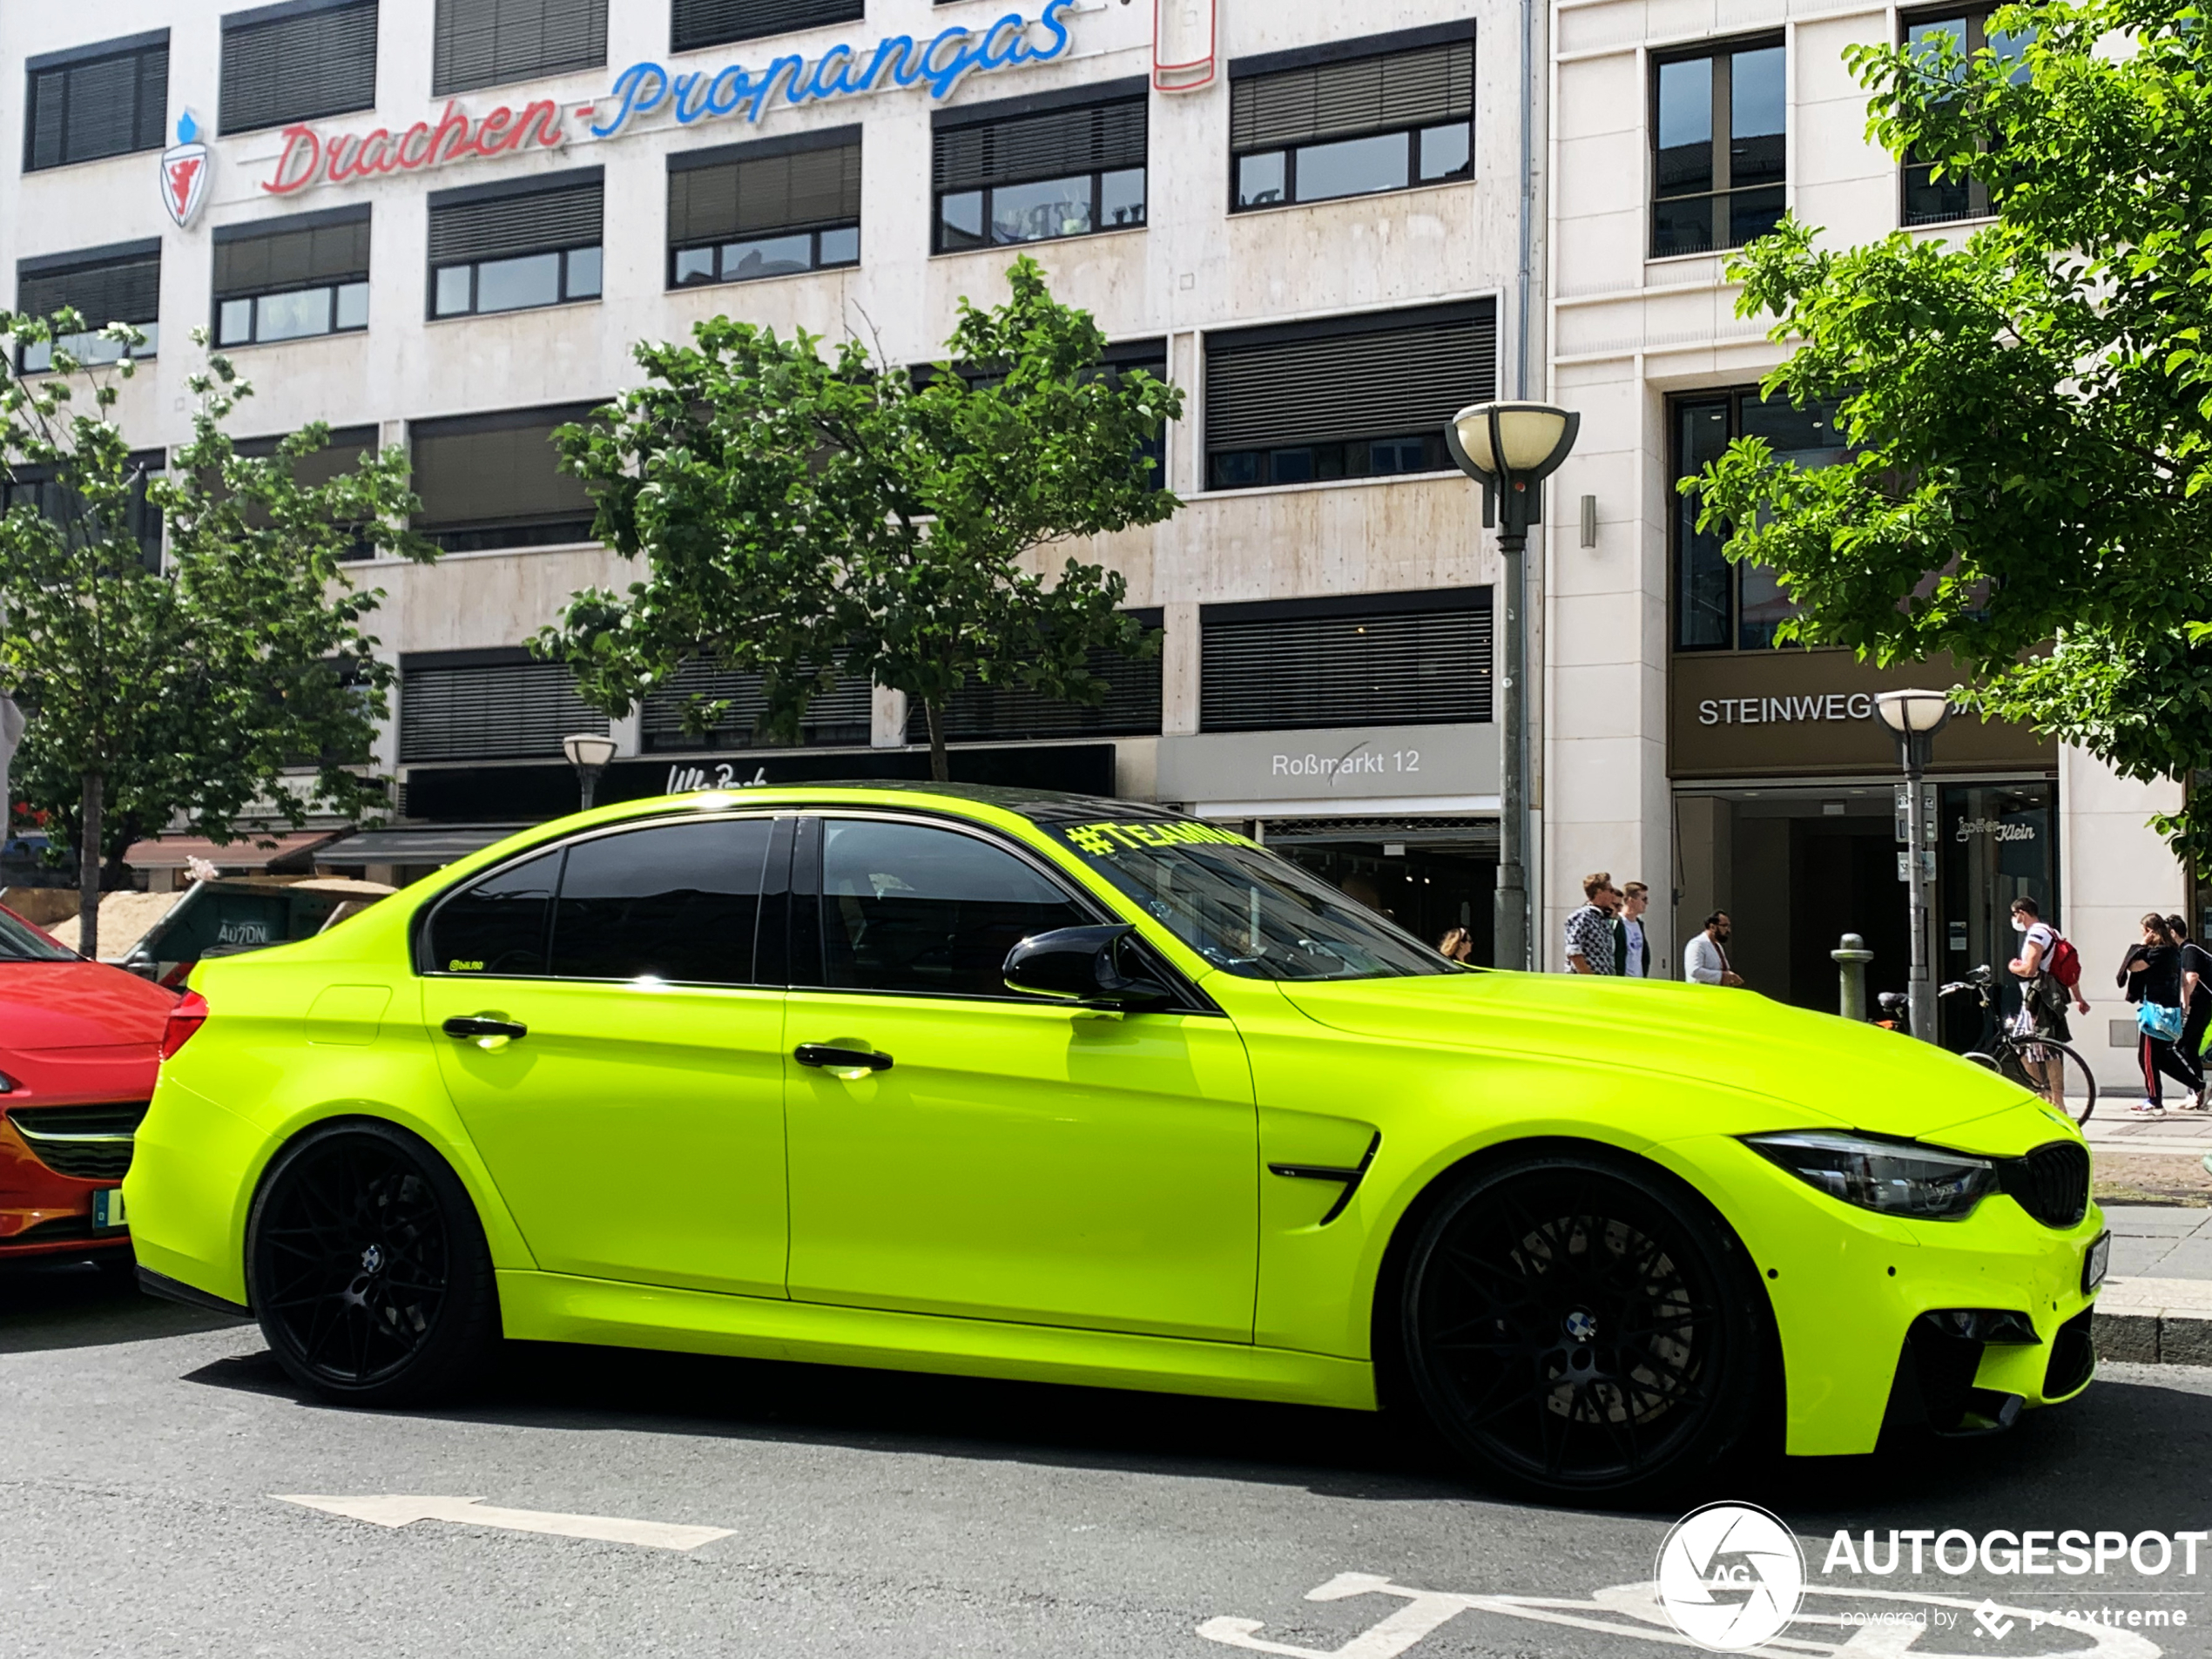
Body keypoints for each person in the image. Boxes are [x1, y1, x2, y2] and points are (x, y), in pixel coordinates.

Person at [2005, 896, 2088, 1113]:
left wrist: (2013, 967)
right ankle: (2055, 1100)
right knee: (2048, 1048)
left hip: (2036, 1000)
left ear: (2022, 913)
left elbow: (2030, 970)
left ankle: (2044, 1097)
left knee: (2022, 1044)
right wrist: (2078, 997)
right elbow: (2068, 971)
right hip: (2050, 998)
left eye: (2014, 914)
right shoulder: (2053, 933)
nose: (2014, 919)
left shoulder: (2035, 934)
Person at [2121, 912, 2203, 1116]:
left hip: (2155, 1011)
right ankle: (2198, 1085)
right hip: (2166, 1009)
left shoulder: (2159, 953)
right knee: (2162, 1058)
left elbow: (2133, 965)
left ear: (2150, 932)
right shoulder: (2173, 952)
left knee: (2146, 1057)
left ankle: (2154, 1101)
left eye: (2144, 931)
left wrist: (2141, 944)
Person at [2168, 914, 2212, 1094]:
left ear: (2172, 933)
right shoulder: (2191, 949)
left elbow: (2191, 977)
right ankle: (2197, 1092)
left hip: (2200, 1004)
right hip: (2205, 1003)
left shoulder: (2189, 950)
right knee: (2189, 1047)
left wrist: (2184, 1003)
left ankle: (2198, 1087)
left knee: (2178, 1047)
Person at [1564, 873, 1618, 974]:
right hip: (1586, 985)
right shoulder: (1582, 916)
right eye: (1610, 890)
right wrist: (1589, 977)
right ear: (1599, 892)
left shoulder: (1602, 918)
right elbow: (1574, 951)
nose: (1613, 895)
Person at [1684, 911, 1743, 987]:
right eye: (1725, 926)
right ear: (1713, 927)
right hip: (1701, 994)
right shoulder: (1697, 944)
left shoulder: (1718, 946)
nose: (1728, 931)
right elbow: (1694, 971)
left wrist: (1731, 978)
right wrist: (1723, 976)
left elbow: (1723, 969)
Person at [1612, 881, 1652, 978]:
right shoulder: (1616, 924)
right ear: (1631, 901)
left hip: (1639, 981)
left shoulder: (1639, 924)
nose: (1647, 903)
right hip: (1622, 982)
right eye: (1644, 899)